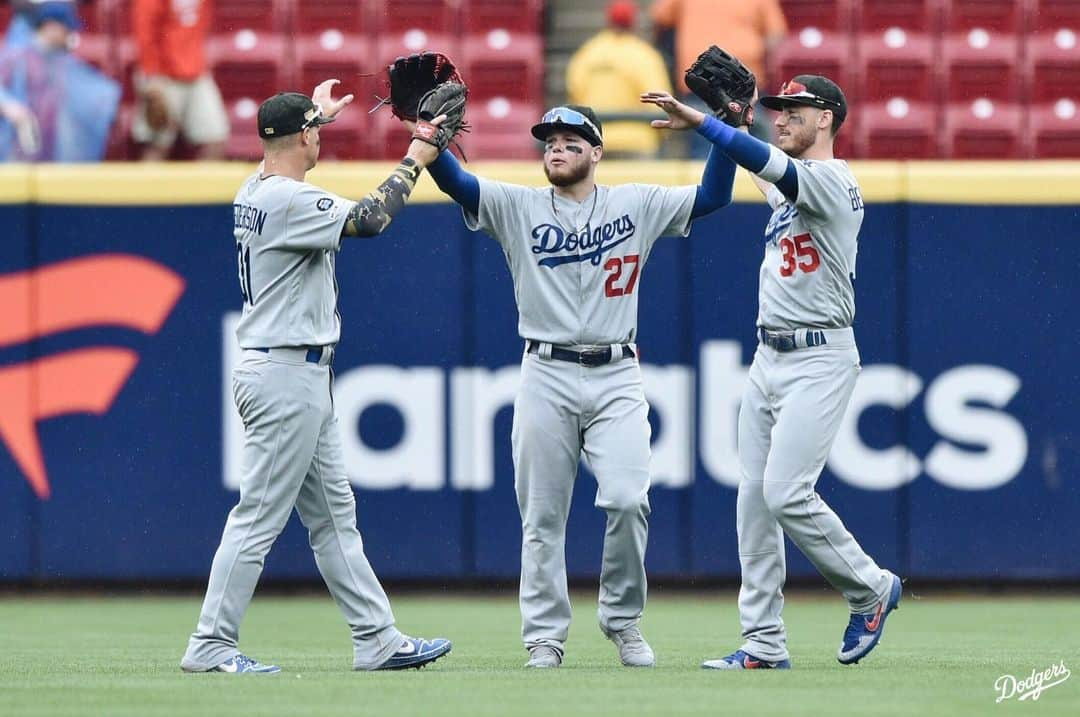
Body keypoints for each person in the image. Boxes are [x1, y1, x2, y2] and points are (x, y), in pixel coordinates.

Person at [408, 104, 737, 668]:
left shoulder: (636, 201)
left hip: (616, 373)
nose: (556, 148)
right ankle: (544, 637)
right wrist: (431, 142)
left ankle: (623, 621)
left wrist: (728, 131)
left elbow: (712, 196)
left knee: (630, 500)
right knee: (541, 516)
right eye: (549, 141)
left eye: (570, 140)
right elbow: (459, 184)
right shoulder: (518, 205)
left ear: (597, 150)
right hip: (546, 370)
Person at [180, 79, 453, 674]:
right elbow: (371, 219)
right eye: (315, 131)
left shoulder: (255, 186)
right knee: (257, 516)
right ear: (303, 137)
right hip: (286, 373)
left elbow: (296, 152)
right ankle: (210, 645)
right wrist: (416, 157)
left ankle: (377, 638)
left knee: (334, 518)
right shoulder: (285, 198)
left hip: (292, 370)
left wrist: (315, 117)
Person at [641, 75, 902, 670]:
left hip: (820, 355)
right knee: (754, 505)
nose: (781, 118)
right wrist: (732, 118)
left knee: (787, 493)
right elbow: (752, 158)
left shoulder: (832, 180)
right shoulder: (791, 180)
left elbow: (764, 161)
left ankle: (869, 588)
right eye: (777, 109)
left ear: (828, 119)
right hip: (770, 357)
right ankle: (762, 643)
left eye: (795, 110)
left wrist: (710, 123)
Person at [650, 0, 787, 147]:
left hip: (703, 78)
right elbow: (775, 37)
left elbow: (659, 17)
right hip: (739, 78)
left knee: (707, 147)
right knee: (750, 151)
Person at [0, 1, 119, 162]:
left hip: (46, 147)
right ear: (52, 27)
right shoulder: (16, 56)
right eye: (67, 29)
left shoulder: (60, 60)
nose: (70, 35)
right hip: (13, 149)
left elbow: (92, 93)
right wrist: (10, 108)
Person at [565, 0, 673, 159]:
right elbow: (660, 103)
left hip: (595, 143)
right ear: (633, 22)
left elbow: (574, 95)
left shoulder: (588, 53)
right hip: (637, 143)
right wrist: (661, 136)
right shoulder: (644, 55)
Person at [131, 0, 228, 160]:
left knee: (214, 139)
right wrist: (151, 78)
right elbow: (145, 30)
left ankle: (201, 186)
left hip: (196, 71)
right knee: (157, 144)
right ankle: (147, 186)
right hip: (162, 74)